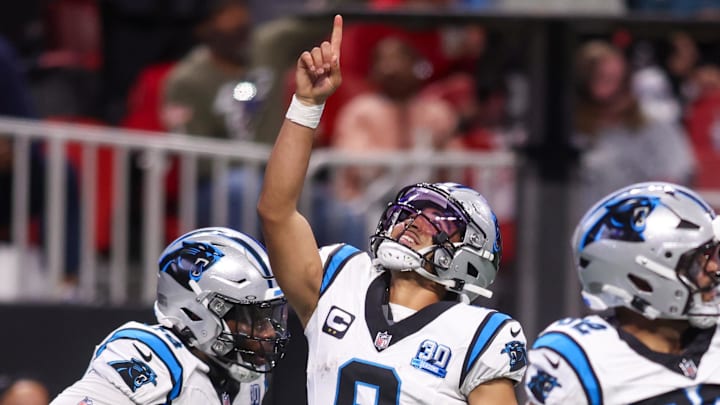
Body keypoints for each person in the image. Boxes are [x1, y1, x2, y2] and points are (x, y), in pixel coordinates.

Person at [257, 15, 527, 404]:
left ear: (471, 257)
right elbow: (276, 212)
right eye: (409, 212)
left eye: (435, 220)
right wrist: (307, 104)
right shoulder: (341, 279)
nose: (412, 222)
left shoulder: (479, 333)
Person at [524, 181, 720, 404]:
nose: (714, 269)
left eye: (712, 256)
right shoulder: (582, 356)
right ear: (643, 279)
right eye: (696, 262)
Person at [51, 227, 290, 404]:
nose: (268, 331)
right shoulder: (152, 360)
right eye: (252, 319)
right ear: (199, 313)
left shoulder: (248, 380)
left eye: (269, 316)